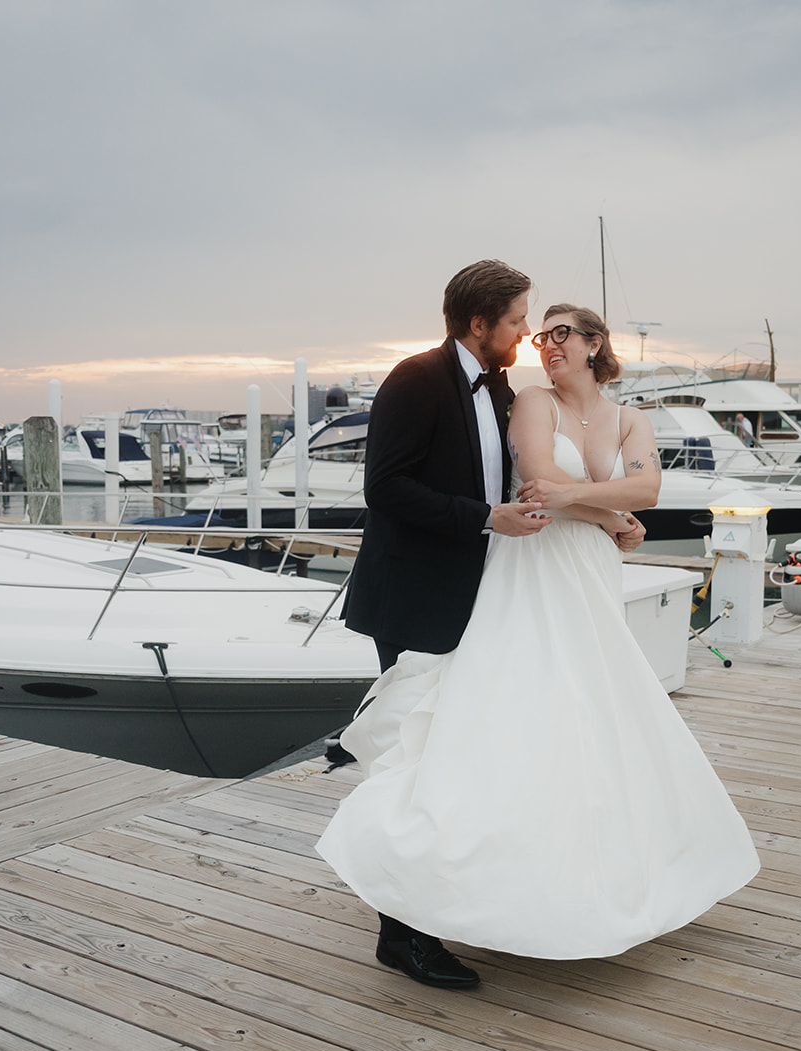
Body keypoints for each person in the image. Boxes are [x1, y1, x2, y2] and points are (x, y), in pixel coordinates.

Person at [318, 302, 760, 986]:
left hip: (590, 576)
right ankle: (414, 908)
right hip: (532, 575)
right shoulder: (531, 401)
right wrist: (613, 511)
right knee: (507, 722)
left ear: (594, 345)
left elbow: (648, 486)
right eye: (536, 329)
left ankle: (584, 882)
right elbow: (540, 485)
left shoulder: (631, 417)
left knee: (596, 724)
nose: (543, 342)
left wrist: (609, 508)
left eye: (559, 332)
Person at [338, 262, 646, 990]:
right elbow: (384, 488)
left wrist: (606, 519)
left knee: (451, 753)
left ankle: (440, 898)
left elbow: (531, 485)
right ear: (481, 323)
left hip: (476, 598)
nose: (526, 334)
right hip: (413, 597)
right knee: (410, 757)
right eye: (516, 321)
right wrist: (485, 517)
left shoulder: (503, 388)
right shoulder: (415, 379)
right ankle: (402, 935)